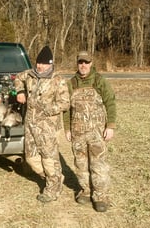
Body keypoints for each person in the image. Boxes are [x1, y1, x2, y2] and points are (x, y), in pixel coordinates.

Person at [14, 46, 70, 203]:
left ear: (50, 64)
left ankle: (52, 190)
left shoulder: (58, 80)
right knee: (31, 158)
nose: (40, 66)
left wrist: (45, 110)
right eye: (38, 62)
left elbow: (65, 104)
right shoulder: (30, 74)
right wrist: (20, 91)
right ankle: (55, 179)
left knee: (49, 159)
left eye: (44, 64)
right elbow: (18, 78)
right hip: (30, 124)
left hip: (47, 126)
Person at [63, 51, 116, 212]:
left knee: (98, 164)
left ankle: (100, 196)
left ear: (91, 63)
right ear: (77, 64)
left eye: (86, 62)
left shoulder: (100, 81)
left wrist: (110, 126)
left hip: (96, 133)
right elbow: (66, 109)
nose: (83, 65)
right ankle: (86, 191)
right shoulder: (71, 83)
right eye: (80, 62)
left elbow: (110, 103)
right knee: (81, 164)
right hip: (77, 133)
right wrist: (67, 128)